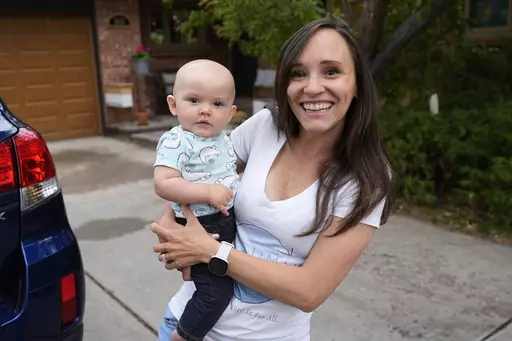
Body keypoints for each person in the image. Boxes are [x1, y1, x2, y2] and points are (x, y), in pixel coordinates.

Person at [152, 18, 394, 341]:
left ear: (358, 85)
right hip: (183, 324)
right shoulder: (266, 125)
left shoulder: (365, 180)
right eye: (298, 73)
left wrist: (209, 251)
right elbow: (195, 168)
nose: (312, 87)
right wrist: (173, 227)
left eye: (331, 71)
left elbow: (309, 291)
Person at [153, 59, 240, 341]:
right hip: (202, 222)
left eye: (217, 104)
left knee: (212, 277)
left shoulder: (222, 137)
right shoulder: (177, 140)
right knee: (215, 293)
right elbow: (163, 183)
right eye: (194, 100)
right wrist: (207, 192)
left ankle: (190, 270)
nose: (205, 109)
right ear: (173, 104)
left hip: (222, 220)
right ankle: (184, 334)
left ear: (230, 113)